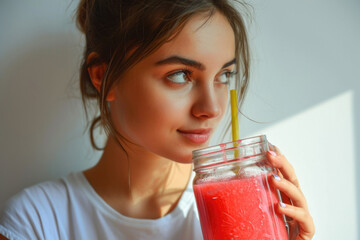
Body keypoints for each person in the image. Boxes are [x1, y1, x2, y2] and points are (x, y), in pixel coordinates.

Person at [0, 0, 315, 239]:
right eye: (180, 75)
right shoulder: (36, 221)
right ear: (105, 78)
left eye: (224, 75)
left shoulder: (246, 216)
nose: (212, 108)